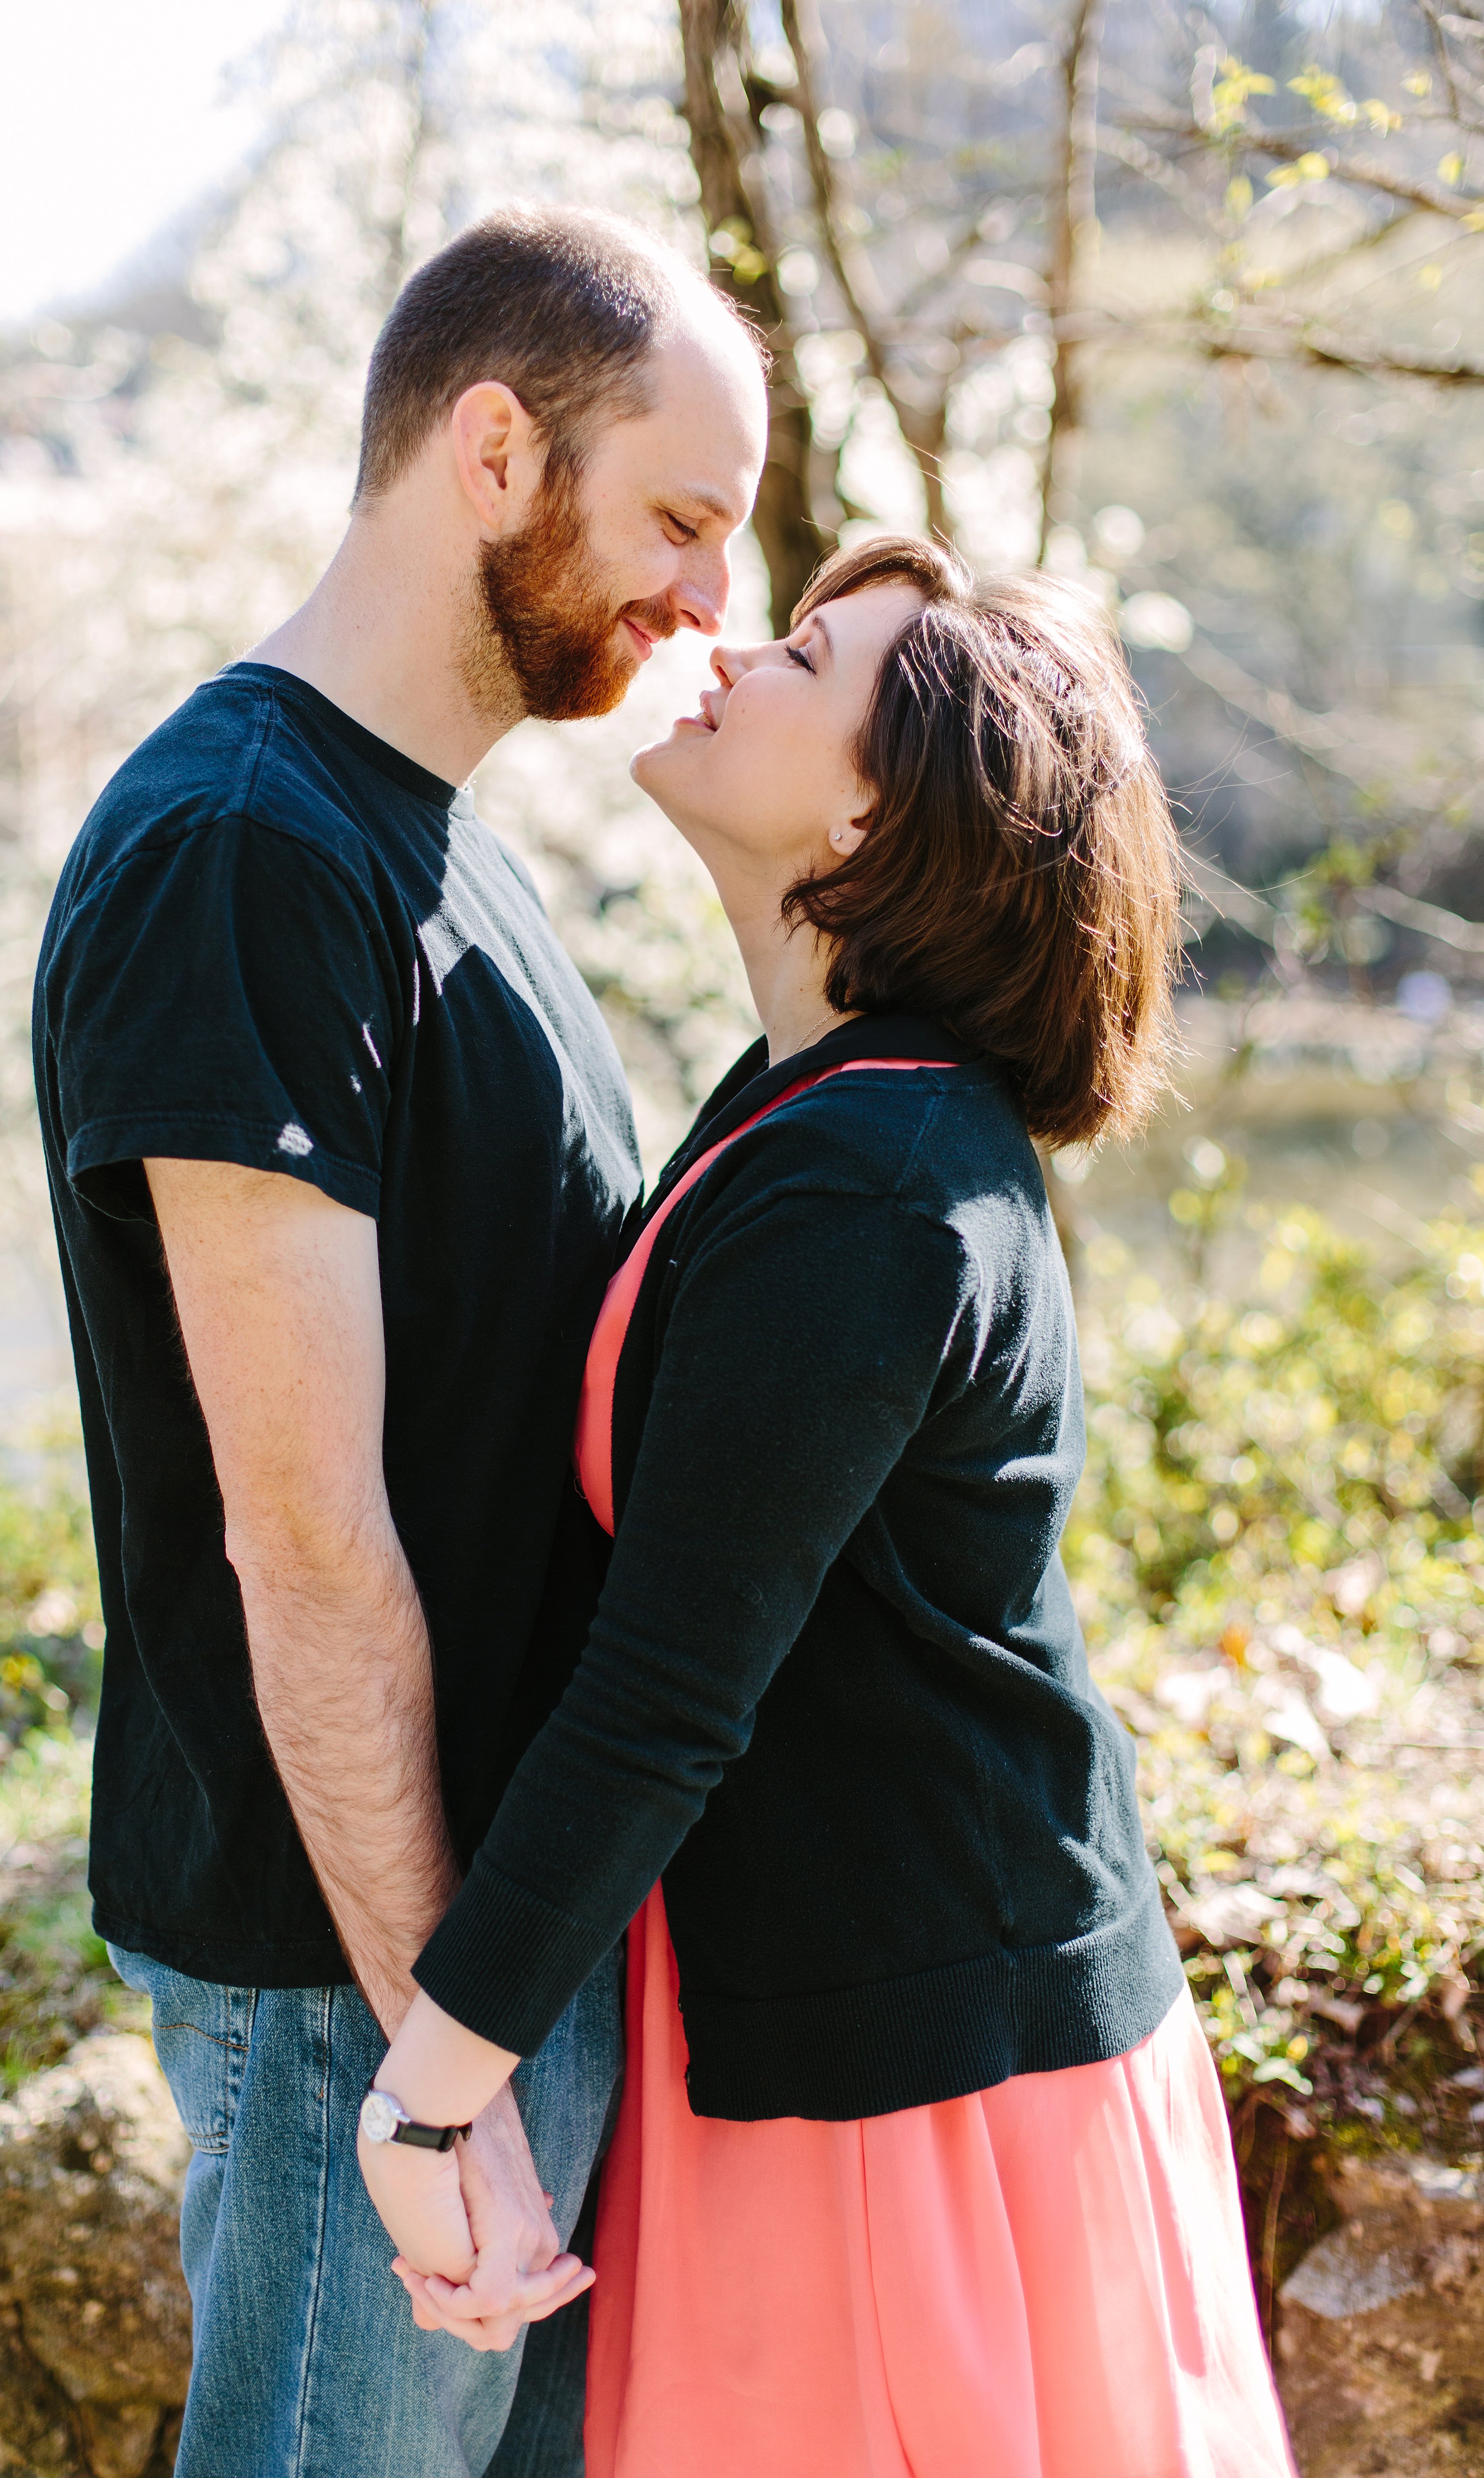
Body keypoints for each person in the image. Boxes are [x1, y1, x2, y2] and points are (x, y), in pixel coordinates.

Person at [355, 536, 1298, 2478]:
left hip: (916, 2089)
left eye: (800, 652)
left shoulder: (863, 1184)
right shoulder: (814, 1109)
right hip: (853, 2025)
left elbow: (665, 1693)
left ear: (882, 811)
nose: (719, 645)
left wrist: (423, 2100)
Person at [32, 205, 766, 2478]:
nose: (700, 603)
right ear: (489, 446)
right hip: (356, 1964)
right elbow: (306, 1534)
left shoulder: (442, 845)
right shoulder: (246, 854)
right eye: (675, 518)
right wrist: (430, 2058)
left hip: (479, 1953)